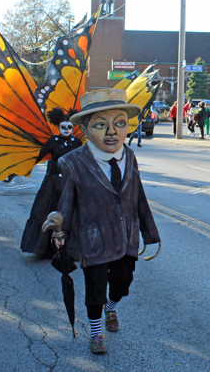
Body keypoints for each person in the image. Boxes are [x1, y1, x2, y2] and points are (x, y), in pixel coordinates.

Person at [52, 88, 160, 354]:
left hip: (126, 236)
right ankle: (96, 333)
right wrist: (59, 230)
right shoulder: (72, 163)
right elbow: (66, 201)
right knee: (95, 289)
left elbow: (139, 197)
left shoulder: (130, 157)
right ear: (86, 130)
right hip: (94, 239)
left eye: (120, 123)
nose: (112, 132)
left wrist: (150, 233)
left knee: (122, 284)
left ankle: (112, 308)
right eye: (101, 125)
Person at [20, 108, 82, 258]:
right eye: (63, 127)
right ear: (58, 126)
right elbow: (37, 155)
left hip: (71, 183)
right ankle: (45, 248)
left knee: (71, 215)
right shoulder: (52, 141)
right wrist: (22, 162)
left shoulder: (78, 142)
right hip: (53, 183)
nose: (67, 130)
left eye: (69, 127)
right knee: (47, 212)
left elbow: (83, 160)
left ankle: (70, 250)